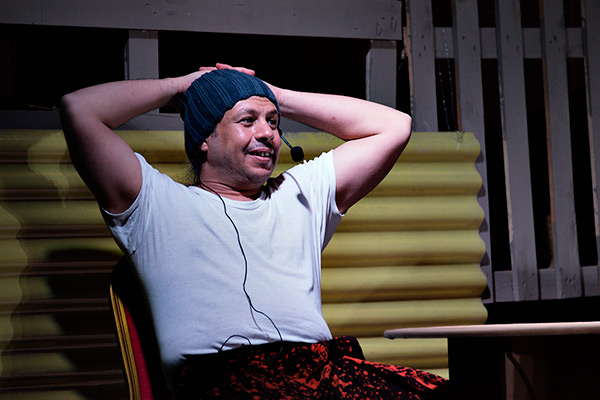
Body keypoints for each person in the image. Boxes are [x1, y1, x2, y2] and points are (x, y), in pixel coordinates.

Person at [60, 64, 447, 399]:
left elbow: (394, 126)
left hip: (323, 373)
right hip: (226, 382)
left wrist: (273, 94)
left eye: (273, 122)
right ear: (204, 139)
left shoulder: (300, 195)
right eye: (248, 120)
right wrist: (181, 86)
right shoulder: (155, 205)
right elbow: (79, 109)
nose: (268, 134)